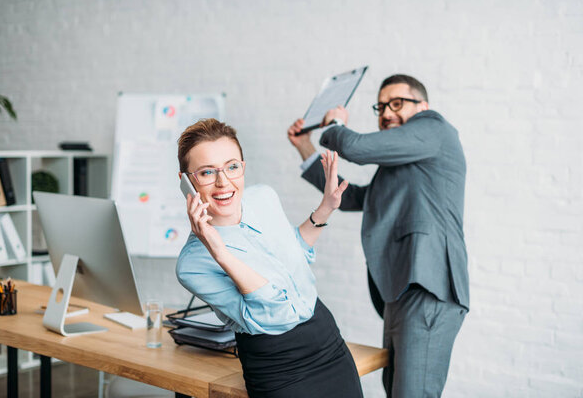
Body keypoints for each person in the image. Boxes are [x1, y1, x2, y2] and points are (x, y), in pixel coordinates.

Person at [287, 74, 469, 398]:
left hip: (428, 285)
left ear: (423, 106)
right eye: (381, 106)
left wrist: (335, 124)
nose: (386, 113)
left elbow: (356, 147)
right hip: (400, 291)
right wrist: (305, 148)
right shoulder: (404, 165)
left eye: (397, 103)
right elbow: (354, 197)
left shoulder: (434, 129)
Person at [175, 118, 363, 398]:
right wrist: (220, 252)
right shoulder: (192, 264)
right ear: (186, 182)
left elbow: (293, 252)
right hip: (280, 369)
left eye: (232, 167)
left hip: (328, 344)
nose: (223, 181)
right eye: (206, 173)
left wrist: (326, 208)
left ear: (243, 168)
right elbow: (275, 313)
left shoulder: (263, 197)